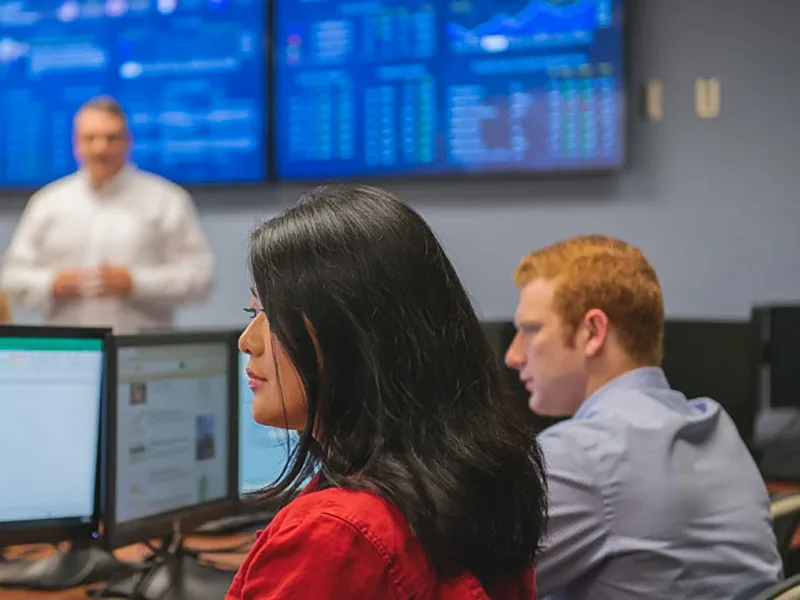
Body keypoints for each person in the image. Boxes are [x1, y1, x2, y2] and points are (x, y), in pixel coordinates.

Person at [231, 185, 548, 599]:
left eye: (269, 314)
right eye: (251, 313)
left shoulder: (337, 535)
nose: (247, 340)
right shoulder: (475, 482)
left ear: (350, 334)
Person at [505, 235, 782, 600]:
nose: (513, 355)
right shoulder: (714, 425)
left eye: (531, 330)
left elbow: (463, 584)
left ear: (593, 332)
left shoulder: (584, 456)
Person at [0, 96, 213, 333]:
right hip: (67, 350)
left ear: (127, 141)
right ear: (76, 143)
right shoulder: (47, 203)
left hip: (139, 352)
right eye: (90, 138)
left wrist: (136, 282)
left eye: (111, 138)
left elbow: (200, 277)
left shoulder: (166, 201)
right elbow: (12, 277)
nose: (100, 148)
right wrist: (51, 284)